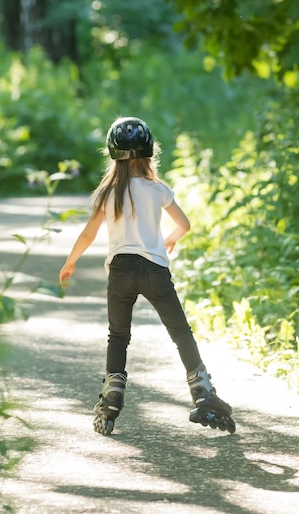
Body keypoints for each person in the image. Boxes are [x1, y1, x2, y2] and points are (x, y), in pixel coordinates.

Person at [59, 117, 235, 436]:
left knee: (119, 335)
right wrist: (170, 240)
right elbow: (184, 224)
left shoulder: (108, 192)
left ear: (112, 155)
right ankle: (203, 392)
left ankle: (113, 394)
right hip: (154, 270)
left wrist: (70, 262)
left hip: (121, 271)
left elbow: (88, 233)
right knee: (181, 332)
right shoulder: (158, 190)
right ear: (150, 153)